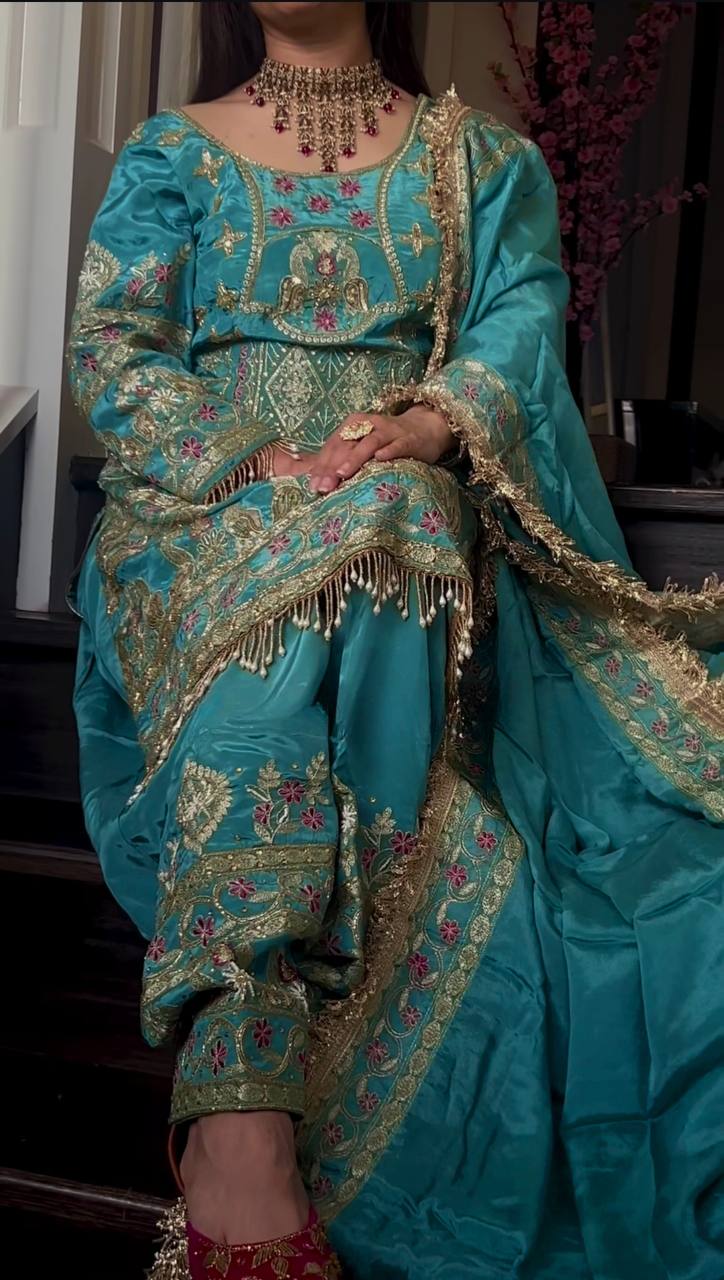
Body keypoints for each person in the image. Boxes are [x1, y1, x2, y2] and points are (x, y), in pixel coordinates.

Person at [67, 2, 724, 1277]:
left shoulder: (482, 163)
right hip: (201, 517)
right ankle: (241, 1084)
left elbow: (516, 335)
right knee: (333, 554)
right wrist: (261, 464)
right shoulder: (170, 154)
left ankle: (244, 1088)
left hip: (400, 524)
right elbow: (116, 350)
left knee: (392, 514)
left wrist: (421, 428)